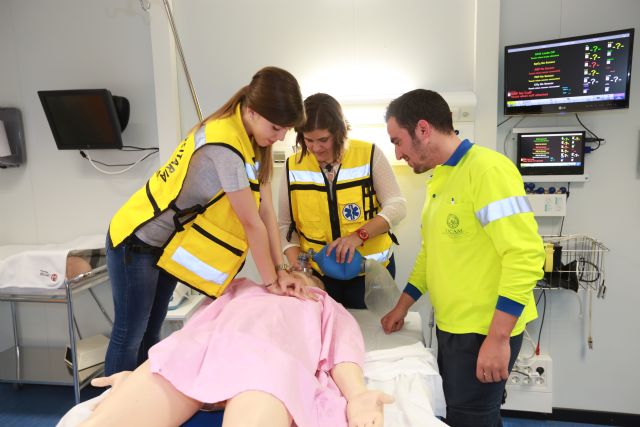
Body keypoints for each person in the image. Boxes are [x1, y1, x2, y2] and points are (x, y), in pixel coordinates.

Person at [104, 66, 309, 376]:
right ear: (252, 112)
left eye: (285, 131)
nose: (280, 137)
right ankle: (107, 415)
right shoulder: (224, 144)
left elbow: (266, 211)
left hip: (166, 244)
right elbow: (251, 224)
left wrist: (281, 270)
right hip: (137, 239)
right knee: (129, 336)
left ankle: (139, 406)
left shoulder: (250, 141)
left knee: (151, 334)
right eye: (277, 127)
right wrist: (271, 284)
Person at [380, 89, 545, 427]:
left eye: (398, 141)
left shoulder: (487, 170)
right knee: (466, 415)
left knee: (471, 419)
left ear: (423, 129)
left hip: (485, 330)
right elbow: (432, 254)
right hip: (455, 328)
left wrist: (498, 338)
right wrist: (402, 307)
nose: (398, 154)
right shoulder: (440, 178)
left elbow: (525, 254)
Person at [70, 276, 394, 427]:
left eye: (306, 274)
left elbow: (342, 351)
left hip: (268, 361)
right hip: (202, 354)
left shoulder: (323, 304)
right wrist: (151, 367)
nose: (297, 274)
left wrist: (358, 395)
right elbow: (198, 326)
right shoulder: (245, 287)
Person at [279, 93, 406, 309]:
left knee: (369, 337)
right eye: (308, 140)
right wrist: (300, 268)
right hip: (319, 276)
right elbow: (283, 226)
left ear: (339, 132)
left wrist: (358, 236)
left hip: (369, 274)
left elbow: (397, 206)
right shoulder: (293, 166)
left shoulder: (369, 155)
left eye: (323, 140)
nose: (316, 148)